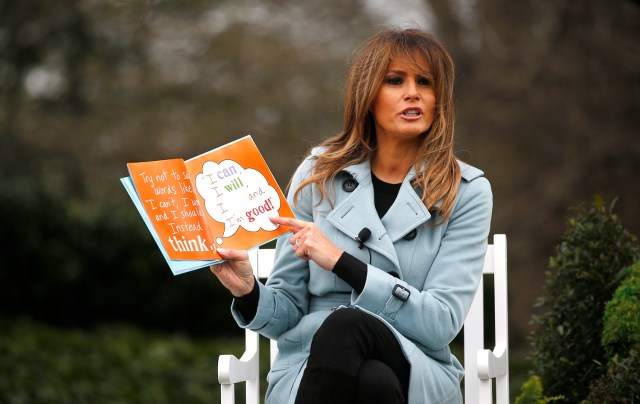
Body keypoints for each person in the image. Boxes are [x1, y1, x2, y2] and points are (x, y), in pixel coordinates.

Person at [210, 27, 492, 404]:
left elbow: (440, 323)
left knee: (346, 323)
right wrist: (247, 291)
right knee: (372, 381)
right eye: (395, 80)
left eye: (425, 82)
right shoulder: (318, 174)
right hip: (313, 363)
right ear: (368, 95)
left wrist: (342, 262)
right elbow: (287, 315)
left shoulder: (466, 191)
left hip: (416, 363)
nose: (414, 93)